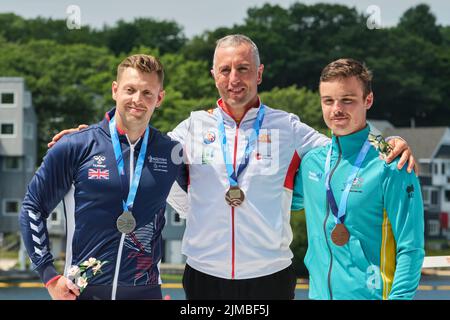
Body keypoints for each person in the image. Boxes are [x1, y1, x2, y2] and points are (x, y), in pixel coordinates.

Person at [49, 35, 415, 300]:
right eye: (225, 70)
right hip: (205, 275)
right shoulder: (191, 128)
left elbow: (345, 146)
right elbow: (135, 149)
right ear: (213, 74)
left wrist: (389, 142)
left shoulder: (286, 127)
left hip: (271, 277)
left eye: (243, 69)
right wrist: (88, 135)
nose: (234, 78)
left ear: (260, 73)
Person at [19, 54, 184, 300]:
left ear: (159, 98)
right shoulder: (75, 146)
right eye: (130, 90)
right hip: (82, 292)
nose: (137, 100)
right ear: (115, 90)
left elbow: (210, 199)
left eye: (147, 93)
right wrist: (50, 277)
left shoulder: (171, 152)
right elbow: (33, 208)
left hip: (145, 293)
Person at [291, 58, 424, 300]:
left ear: (368, 100)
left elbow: (411, 248)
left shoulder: (392, 164)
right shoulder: (312, 162)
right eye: (328, 101)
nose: (336, 109)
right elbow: (274, 199)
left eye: (347, 100)